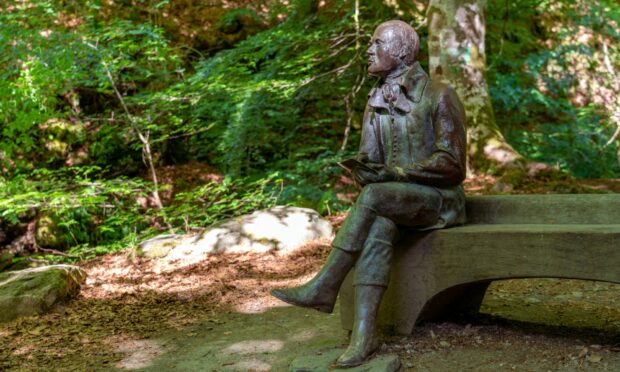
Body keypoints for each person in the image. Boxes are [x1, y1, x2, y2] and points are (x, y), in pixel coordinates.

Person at [271, 19, 466, 367]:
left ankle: (323, 286)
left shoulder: (439, 95)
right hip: (393, 204)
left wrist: (398, 173)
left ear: (402, 51)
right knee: (379, 228)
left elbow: (453, 164)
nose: (368, 49)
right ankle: (365, 336)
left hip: (438, 203)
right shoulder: (375, 98)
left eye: (376, 43)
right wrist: (363, 168)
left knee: (376, 198)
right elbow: (372, 159)